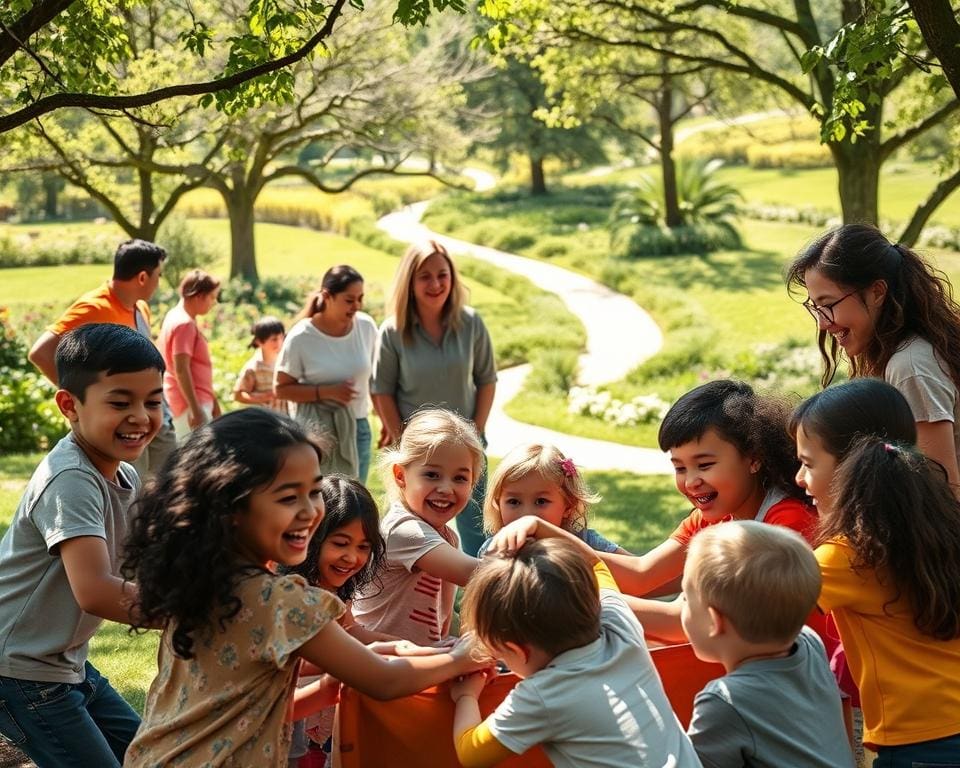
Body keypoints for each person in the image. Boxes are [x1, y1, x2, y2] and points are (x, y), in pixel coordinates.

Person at [121, 409, 486, 767]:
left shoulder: (200, 584)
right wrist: (462, 658)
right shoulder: (281, 600)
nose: (312, 511)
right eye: (287, 497)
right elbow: (383, 680)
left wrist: (328, 689)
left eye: (313, 492)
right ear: (230, 507)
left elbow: (239, 708)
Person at [0, 324, 165, 767]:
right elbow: (96, 591)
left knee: (153, 756)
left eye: (153, 401)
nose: (141, 417)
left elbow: (144, 564)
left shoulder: (123, 476)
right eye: (120, 402)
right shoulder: (71, 479)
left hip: (66, 664)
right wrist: (193, 616)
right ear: (69, 405)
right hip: (20, 670)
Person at [792, 379, 960, 765]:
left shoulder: (848, 555)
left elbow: (745, 612)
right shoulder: (943, 524)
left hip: (921, 745)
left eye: (807, 463)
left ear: (849, 467)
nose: (799, 479)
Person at [450, 517, 702, 768]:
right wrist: (536, 525)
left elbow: (471, 753)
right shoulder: (619, 626)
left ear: (519, 650)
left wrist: (466, 696)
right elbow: (596, 565)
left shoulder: (542, 694)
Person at [598, 380, 817, 642]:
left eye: (704, 465)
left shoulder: (786, 526)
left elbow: (689, 624)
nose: (691, 482)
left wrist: (578, 600)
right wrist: (549, 543)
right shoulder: (714, 517)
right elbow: (641, 574)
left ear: (754, 457)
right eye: (680, 468)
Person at [787, 223, 960, 490]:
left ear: (877, 292)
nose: (822, 323)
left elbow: (944, 487)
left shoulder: (910, 366)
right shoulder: (894, 352)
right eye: (816, 307)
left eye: (828, 305)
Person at [681, 521, 854, 767]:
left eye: (686, 597)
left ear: (713, 621)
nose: (683, 604)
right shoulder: (809, 644)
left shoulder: (724, 701)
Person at [371, 240, 497, 557]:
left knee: (479, 530)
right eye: (425, 276)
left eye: (442, 275)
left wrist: (476, 433)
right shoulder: (393, 331)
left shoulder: (471, 324)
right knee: (414, 531)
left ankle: (480, 598)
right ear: (410, 282)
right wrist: (405, 442)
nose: (436, 284)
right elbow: (381, 389)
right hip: (418, 453)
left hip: (468, 447)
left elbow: (486, 380)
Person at [27, 238, 175, 478]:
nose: (159, 283)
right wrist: (84, 397)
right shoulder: (94, 308)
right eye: (158, 275)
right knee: (126, 487)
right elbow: (40, 352)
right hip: (122, 421)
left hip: (152, 414)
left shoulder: (140, 308)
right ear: (142, 277)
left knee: (165, 484)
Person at [287, 475, 397, 768]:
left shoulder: (336, 591)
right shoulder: (293, 593)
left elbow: (352, 630)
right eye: (341, 543)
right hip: (286, 716)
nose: (352, 557)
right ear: (310, 538)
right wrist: (347, 661)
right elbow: (291, 660)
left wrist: (400, 646)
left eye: (364, 547)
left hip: (310, 723)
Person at [352, 408, 484, 645]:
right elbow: (479, 575)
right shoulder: (404, 530)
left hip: (410, 664)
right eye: (432, 475)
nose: (446, 488)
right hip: (375, 665)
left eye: (460, 478)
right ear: (401, 476)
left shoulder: (448, 537)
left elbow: (440, 622)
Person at [275, 266, 377, 482]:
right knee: (321, 503)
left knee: (356, 503)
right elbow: (281, 388)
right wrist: (328, 392)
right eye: (349, 300)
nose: (357, 306)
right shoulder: (302, 336)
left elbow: (374, 376)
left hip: (358, 428)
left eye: (360, 298)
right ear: (327, 296)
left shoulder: (366, 327)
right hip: (315, 432)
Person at [478, 442, 628, 557]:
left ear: (569, 505)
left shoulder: (587, 542)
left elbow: (642, 578)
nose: (526, 514)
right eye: (514, 502)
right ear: (498, 503)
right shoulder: (495, 549)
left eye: (541, 501)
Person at [158, 268, 222, 441]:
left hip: (189, 401)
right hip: (189, 405)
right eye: (212, 297)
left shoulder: (175, 316)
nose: (214, 302)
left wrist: (213, 400)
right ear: (199, 295)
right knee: (197, 461)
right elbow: (181, 368)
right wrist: (196, 409)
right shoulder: (184, 323)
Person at [234, 315, 288, 414]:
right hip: (266, 419)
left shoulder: (286, 362)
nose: (280, 343)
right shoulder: (253, 368)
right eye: (274, 339)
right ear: (259, 342)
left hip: (287, 419)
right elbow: (238, 395)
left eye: (282, 338)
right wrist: (263, 397)